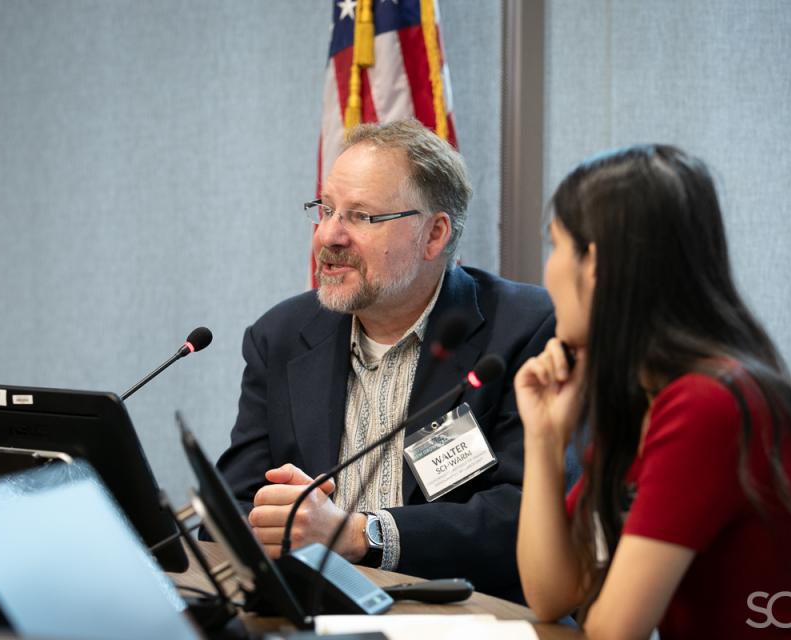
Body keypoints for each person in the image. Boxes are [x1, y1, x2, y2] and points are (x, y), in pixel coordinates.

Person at [514, 145, 791, 637]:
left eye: (555, 245)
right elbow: (552, 594)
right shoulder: (647, 397)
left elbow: (614, 631)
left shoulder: (706, 405)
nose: (546, 271)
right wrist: (544, 439)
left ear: (597, 265)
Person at [216, 119, 556, 601]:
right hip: (319, 615)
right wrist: (274, 517)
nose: (329, 236)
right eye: (327, 209)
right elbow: (237, 501)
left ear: (433, 235)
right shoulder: (281, 336)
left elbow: (526, 515)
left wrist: (361, 534)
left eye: (360, 217)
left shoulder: (525, 329)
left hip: (468, 614)